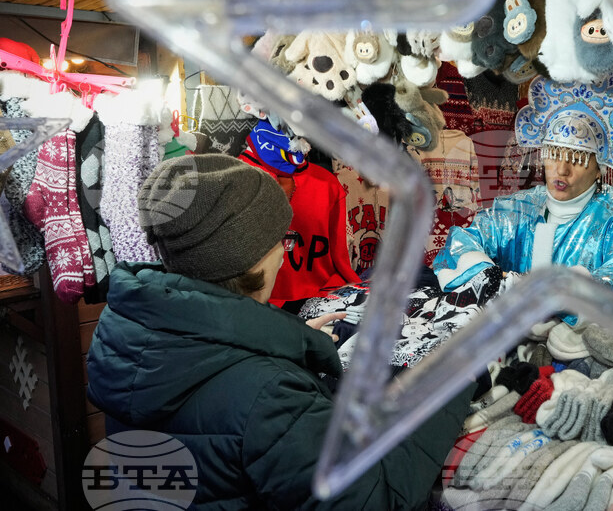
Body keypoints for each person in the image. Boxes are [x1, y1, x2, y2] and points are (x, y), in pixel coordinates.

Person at [87, 154, 473, 510]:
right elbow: (376, 498)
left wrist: (290, 341)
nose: (285, 253)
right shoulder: (268, 395)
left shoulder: (132, 339)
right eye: (281, 239)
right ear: (252, 255)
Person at [432, 76, 613, 306]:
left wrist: (569, 290)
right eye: (553, 155)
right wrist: (492, 279)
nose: (561, 170)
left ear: (599, 169)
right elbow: (463, 242)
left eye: (577, 159)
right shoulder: (515, 210)